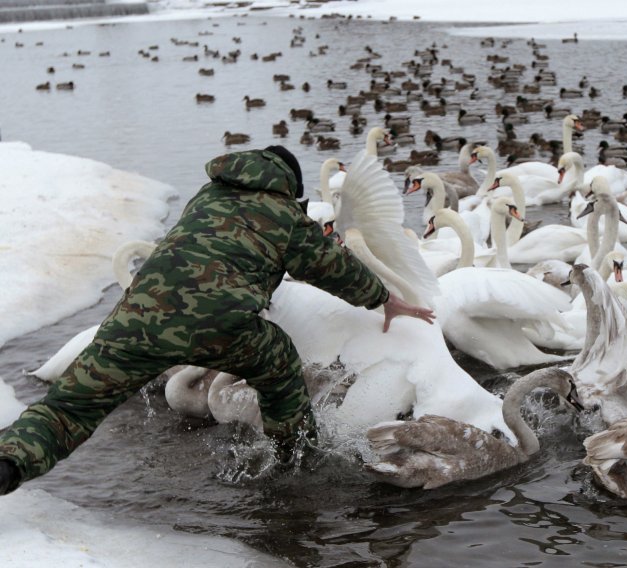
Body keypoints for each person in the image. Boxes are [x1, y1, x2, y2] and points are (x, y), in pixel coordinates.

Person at [0, 145, 435, 496]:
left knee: (68, 409)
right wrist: (383, 299)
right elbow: (330, 266)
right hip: (220, 327)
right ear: (290, 188)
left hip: (134, 320)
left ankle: (8, 464)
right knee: (279, 360)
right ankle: (293, 460)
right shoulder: (284, 215)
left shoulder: (207, 195)